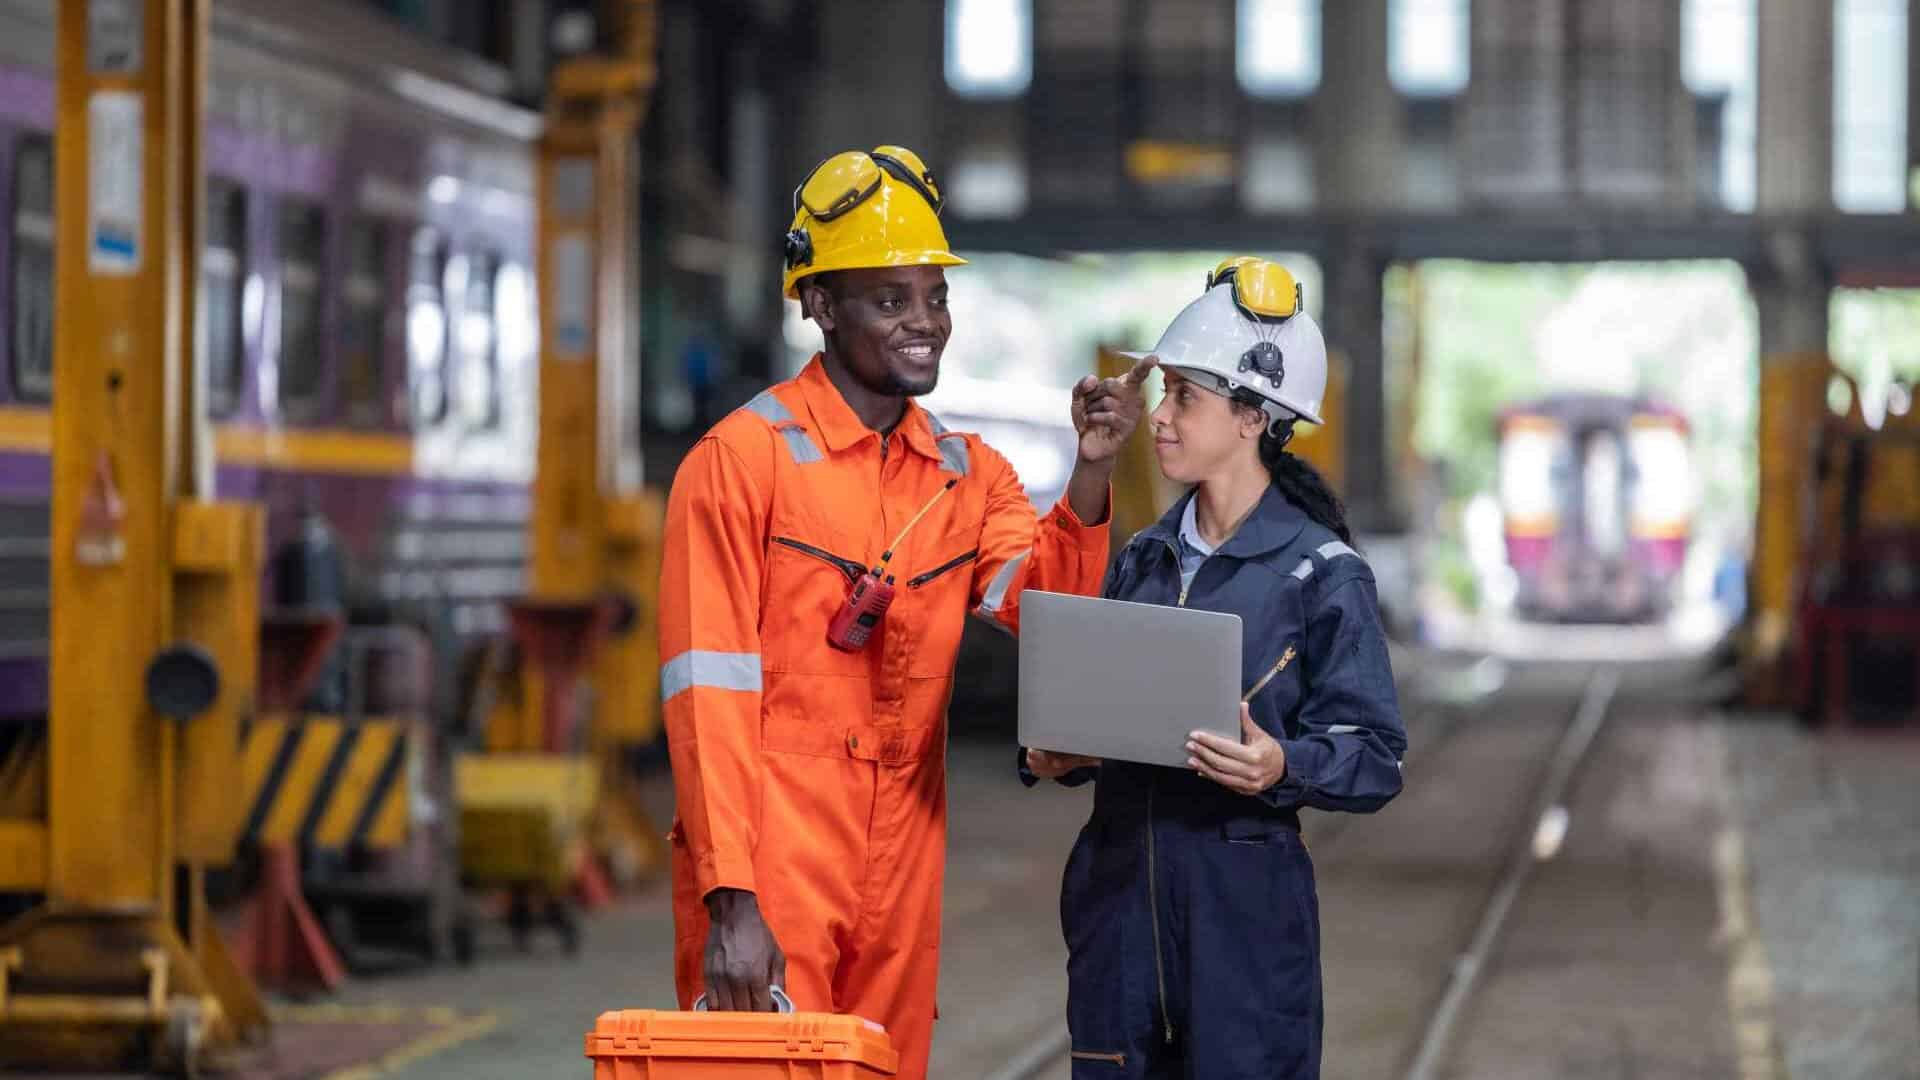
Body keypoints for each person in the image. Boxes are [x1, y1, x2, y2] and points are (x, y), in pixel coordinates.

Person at [658, 144, 1154, 1079]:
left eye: (934, 297)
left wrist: (1091, 469)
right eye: (891, 300)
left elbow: (1045, 612)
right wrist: (731, 897)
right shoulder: (739, 464)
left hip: (905, 852)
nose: (925, 323)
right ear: (819, 305)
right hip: (772, 855)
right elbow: (707, 695)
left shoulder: (967, 475)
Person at [1024, 257, 1407, 1079]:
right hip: (1122, 904)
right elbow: (1098, 709)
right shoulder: (1144, 560)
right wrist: (1064, 754)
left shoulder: (1322, 574)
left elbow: (1375, 755)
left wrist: (1283, 763)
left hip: (1242, 915)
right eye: (1166, 396)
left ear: (1251, 416)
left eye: (1183, 399)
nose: (1160, 419)